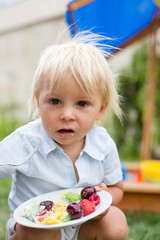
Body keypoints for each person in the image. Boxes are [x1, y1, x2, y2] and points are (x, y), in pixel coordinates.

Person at [0, 32, 128, 240]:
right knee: (43, 233)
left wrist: (102, 198)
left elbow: (117, 188)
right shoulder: (27, 141)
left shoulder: (102, 143)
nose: (67, 115)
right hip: (36, 228)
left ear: (101, 109)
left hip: (82, 226)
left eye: (82, 104)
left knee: (115, 222)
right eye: (55, 101)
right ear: (38, 101)